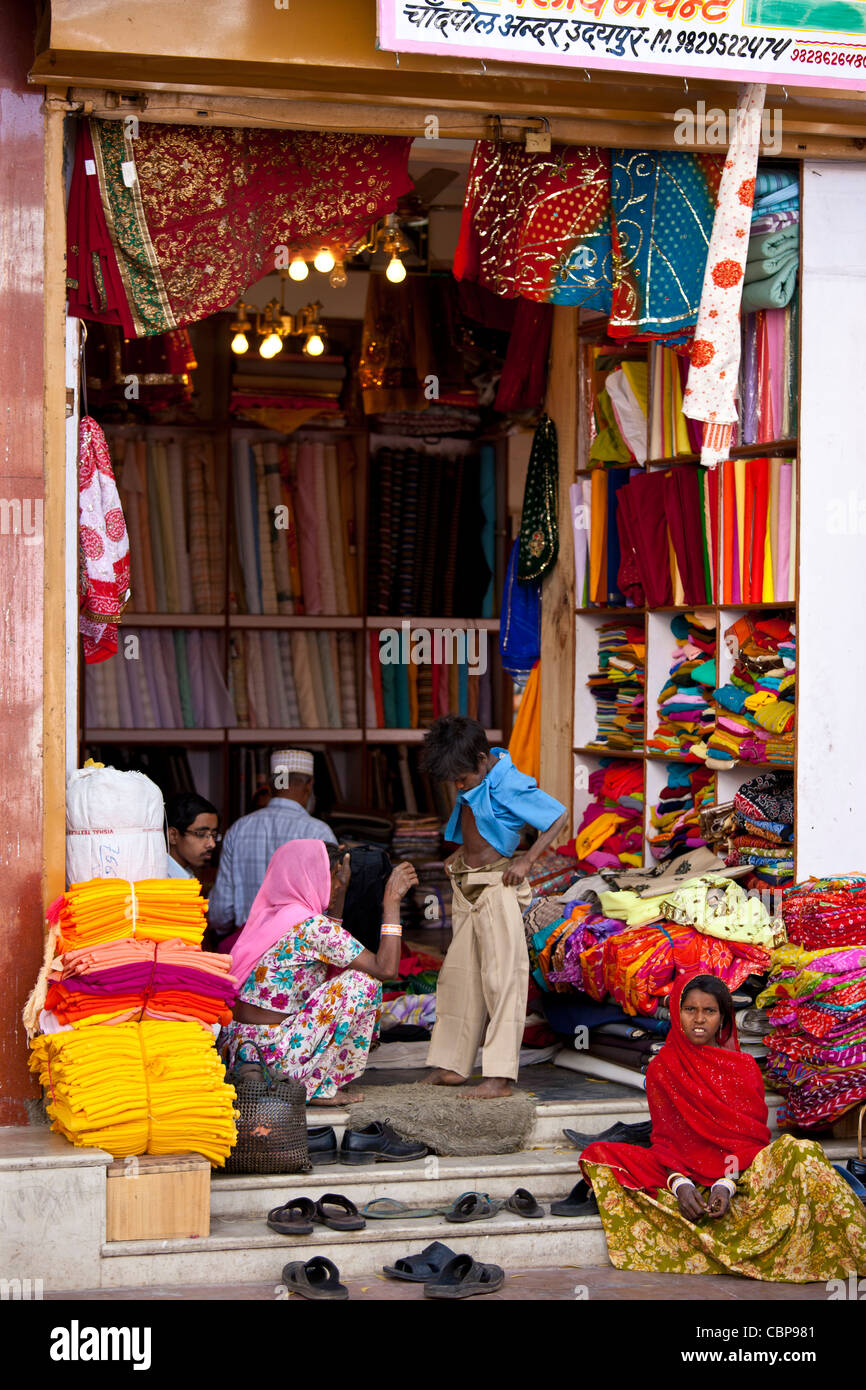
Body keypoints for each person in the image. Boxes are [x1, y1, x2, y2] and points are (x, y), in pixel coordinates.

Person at [573, 972, 866, 1282]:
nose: (699, 1019)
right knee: (599, 1153)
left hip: (739, 1171)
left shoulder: (744, 1068)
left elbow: (751, 1141)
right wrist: (680, 1184)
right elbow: (666, 1139)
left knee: (802, 1151)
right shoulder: (662, 1068)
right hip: (686, 1171)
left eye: (709, 1011)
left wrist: (725, 1184)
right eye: (690, 1010)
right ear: (677, 1013)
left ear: (723, 1018)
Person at [420, 714, 567, 1099]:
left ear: (483, 759)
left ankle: (500, 1076)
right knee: (457, 979)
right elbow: (477, 826)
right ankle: (452, 1066)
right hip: (467, 885)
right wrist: (460, 854)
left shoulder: (510, 782)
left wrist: (527, 860)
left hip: (499, 885)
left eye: (462, 778)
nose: (457, 785)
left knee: (504, 982)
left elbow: (558, 815)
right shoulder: (477, 774)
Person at [220, 839, 418, 1105]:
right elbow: (385, 968)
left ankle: (302, 1078)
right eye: (334, 876)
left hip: (244, 1051)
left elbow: (329, 951)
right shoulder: (311, 927)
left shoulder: (274, 915)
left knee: (339, 975)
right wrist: (392, 902)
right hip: (275, 1055)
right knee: (364, 981)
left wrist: (342, 891)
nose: (337, 884)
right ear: (311, 876)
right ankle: (313, 1086)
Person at [208, 749, 336, 936]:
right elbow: (330, 904)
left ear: (270, 784)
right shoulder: (317, 832)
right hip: (298, 949)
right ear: (309, 785)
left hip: (246, 945)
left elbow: (221, 912)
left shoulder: (239, 828)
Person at [165, 792, 220, 880]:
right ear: (173, 835)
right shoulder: (158, 878)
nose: (212, 844)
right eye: (201, 834)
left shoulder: (186, 874)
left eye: (214, 835)